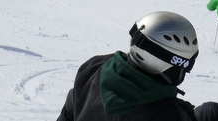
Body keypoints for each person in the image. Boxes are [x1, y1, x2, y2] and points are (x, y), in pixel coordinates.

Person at [58, 11, 203, 121]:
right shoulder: (168, 114)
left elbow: (70, 110)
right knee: (214, 112)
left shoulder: (94, 68)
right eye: (181, 68)